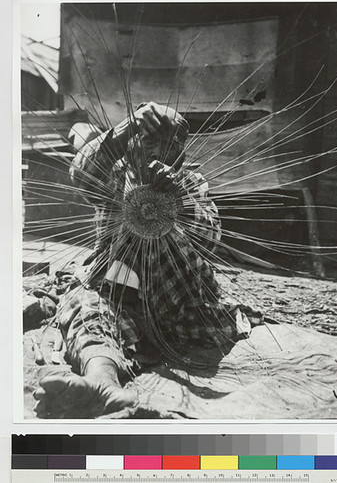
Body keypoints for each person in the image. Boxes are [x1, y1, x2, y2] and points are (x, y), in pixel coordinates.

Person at [34, 102, 256, 418]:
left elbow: (212, 236)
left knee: (208, 322)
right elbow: (81, 173)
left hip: (182, 301)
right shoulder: (116, 175)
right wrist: (123, 129)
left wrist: (180, 201)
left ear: (180, 153)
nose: (159, 153)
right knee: (86, 311)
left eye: (170, 145)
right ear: (132, 144)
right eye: (148, 141)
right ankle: (102, 384)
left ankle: (108, 379)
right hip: (118, 295)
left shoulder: (190, 182)